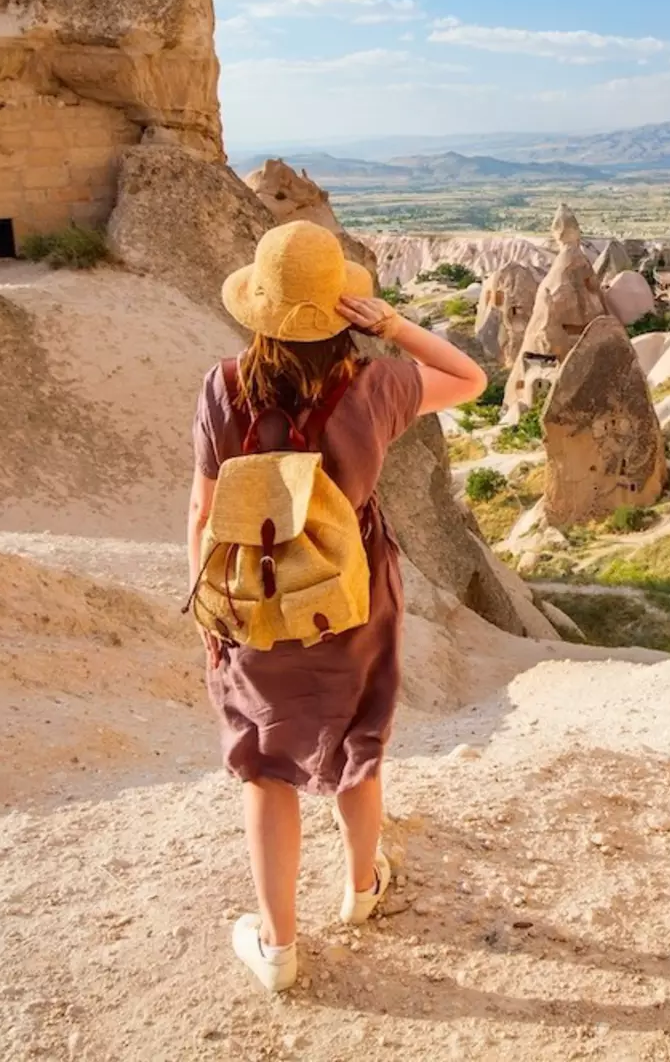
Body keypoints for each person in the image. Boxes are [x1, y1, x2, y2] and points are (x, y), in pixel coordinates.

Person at [187, 221, 486, 992]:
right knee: (356, 741)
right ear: (340, 308)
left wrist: (212, 613)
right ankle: (361, 888)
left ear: (259, 307)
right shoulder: (377, 385)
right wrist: (393, 326)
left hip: (255, 597)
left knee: (266, 767)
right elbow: (469, 378)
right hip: (351, 596)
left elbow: (203, 512)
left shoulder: (224, 386)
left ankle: (279, 947)